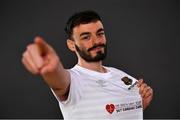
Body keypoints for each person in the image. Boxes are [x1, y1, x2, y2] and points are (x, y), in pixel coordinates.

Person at [22, 10, 153, 119]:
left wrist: (138, 104)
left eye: (100, 34)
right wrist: (52, 69)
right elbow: (58, 80)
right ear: (71, 45)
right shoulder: (72, 79)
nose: (96, 41)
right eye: (86, 37)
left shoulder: (121, 75)